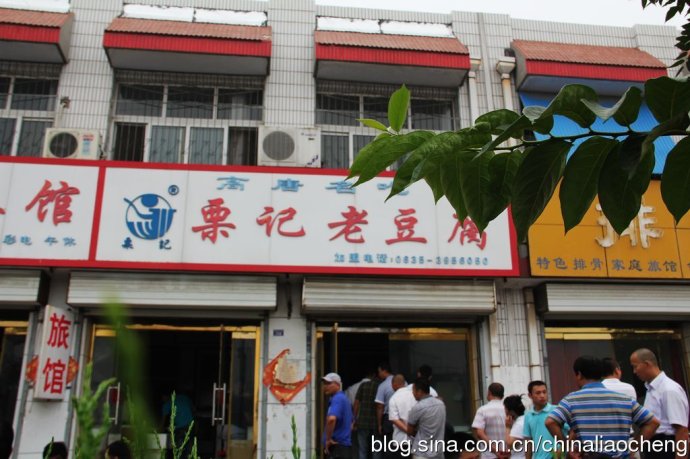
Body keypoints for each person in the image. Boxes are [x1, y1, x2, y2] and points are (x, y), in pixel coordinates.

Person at [546, 355, 660, 459]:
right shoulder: (625, 400)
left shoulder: (571, 400)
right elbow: (653, 422)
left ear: (579, 374)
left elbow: (550, 422)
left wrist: (568, 447)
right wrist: (632, 448)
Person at [630, 348, 689, 459]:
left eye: (635, 366)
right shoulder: (651, 389)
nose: (634, 371)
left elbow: (681, 429)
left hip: (666, 447)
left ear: (647, 364)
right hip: (654, 447)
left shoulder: (668, 389)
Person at [523, 380, 567, 459]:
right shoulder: (528, 415)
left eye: (544, 392)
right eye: (538, 393)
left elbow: (571, 432)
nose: (542, 395)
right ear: (530, 395)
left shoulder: (557, 411)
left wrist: (562, 449)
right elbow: (528, 442)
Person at [406, 378, 446, 459]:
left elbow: (409, 431)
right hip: (438, 452)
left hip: (421, 453)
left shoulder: (418, 407)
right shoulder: (441, 405)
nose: (413, 393)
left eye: (413, 390)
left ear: (419, 391)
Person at [323, 372, 354, 458]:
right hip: (344, 447)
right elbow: (351, 423)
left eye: (329, 383)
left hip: (337, 447)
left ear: (337, 384)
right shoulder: (345, 399)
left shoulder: (337, 398)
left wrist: (328, 439)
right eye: (324, 383)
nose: (325, 386)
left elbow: (331, 419)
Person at [472, 383, 506, 459]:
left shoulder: (482, 410)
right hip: (506, 454)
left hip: (488, 455)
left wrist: (495, 450)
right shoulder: (508, 410)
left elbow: (480, 433)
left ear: (489, 393)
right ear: (502, 395)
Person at [389, 374, 416, 457]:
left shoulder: (393, 398)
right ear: (404, 383)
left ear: (394, 384)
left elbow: (394, 419)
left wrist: (409, 431)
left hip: (399, 440)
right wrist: (413, 432)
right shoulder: (414, 395)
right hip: (415, 440)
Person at [161, 391, 195, 457]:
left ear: (165, 397)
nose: (162, 400)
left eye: (162, 398)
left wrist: (162, 431)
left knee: (179, 452)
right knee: (189, 450)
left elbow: (162, 423)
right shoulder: (184, 397)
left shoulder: (167, 403)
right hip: (190, 426)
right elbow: (193, 409)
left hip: (180, 429)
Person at [354, 371, 380, 459]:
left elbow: (356, 403)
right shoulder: (380, 387)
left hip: (362, 421)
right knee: (376, 448)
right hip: (375, 422)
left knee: (362, 448)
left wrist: (354, 419)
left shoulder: (363, 385)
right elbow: (380, 406)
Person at [375, 362, 395, 439]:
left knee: (388, 442)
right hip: (403, 417)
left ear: (384, 371)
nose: (379, 374)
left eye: (379, 371)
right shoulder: (403, 382)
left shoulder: (383, 386)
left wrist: (379, 425)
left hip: (388, 418)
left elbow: (380, 407)